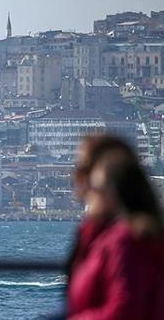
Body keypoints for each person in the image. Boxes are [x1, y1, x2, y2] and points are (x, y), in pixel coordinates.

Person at [66, 136, 164, 319]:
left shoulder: (123, 241)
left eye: (82, 171)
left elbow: (125, 307)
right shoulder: (98, 236)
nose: (76, 178)